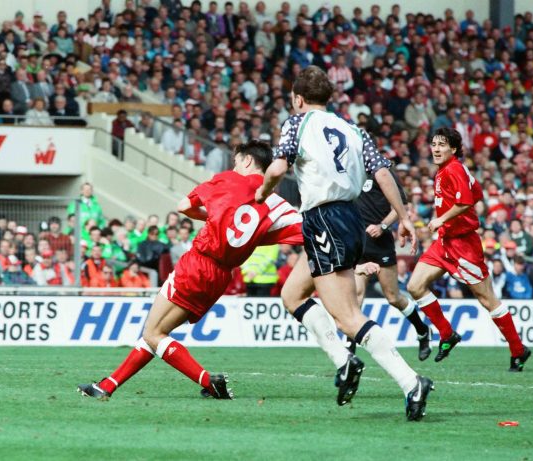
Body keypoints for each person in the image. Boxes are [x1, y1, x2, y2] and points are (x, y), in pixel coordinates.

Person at [256, 66, 431, 421]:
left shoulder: (297, 122)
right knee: (292, 294)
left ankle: (411, 381)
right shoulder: (354, 130)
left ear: (298, 99)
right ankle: (344, 361)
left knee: (348, 317)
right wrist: (405, 218)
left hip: (324, 219)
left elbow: (276, 169)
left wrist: (261, 193)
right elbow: (382, 172)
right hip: (351, 218)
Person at [77, 140, 303, 401]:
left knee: (152, 333)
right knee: (157, 334)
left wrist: (215, 215)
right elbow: (299, 229)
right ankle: (108, 386)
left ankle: (209, 381)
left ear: (247, 160)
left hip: (197, 264)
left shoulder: (227, 180)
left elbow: (183, 206)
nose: (235, 166)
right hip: (220, 277)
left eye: (237, 161)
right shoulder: (276, 203)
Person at [406, 127, 530, 371]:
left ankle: (518, 350)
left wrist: (442, 219)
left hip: (464, 245)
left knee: (487, 298)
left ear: (453, 149)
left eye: (442, 145)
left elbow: (465, 201)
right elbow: (477, 193)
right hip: (444, 242)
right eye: (433, 144)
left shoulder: (454, 169)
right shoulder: (445, 171)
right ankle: (447, 334)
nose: (436, 149)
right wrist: (445, 223)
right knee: (414, 286)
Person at [352, 168, 431, 360]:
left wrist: (383, 226)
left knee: (393, 297)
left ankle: (422, 330)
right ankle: (349, 352)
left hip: (380, 243)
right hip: (357, 243)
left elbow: (401, 207)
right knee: (356, 297)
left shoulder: (383, 173)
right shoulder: (349, 170)